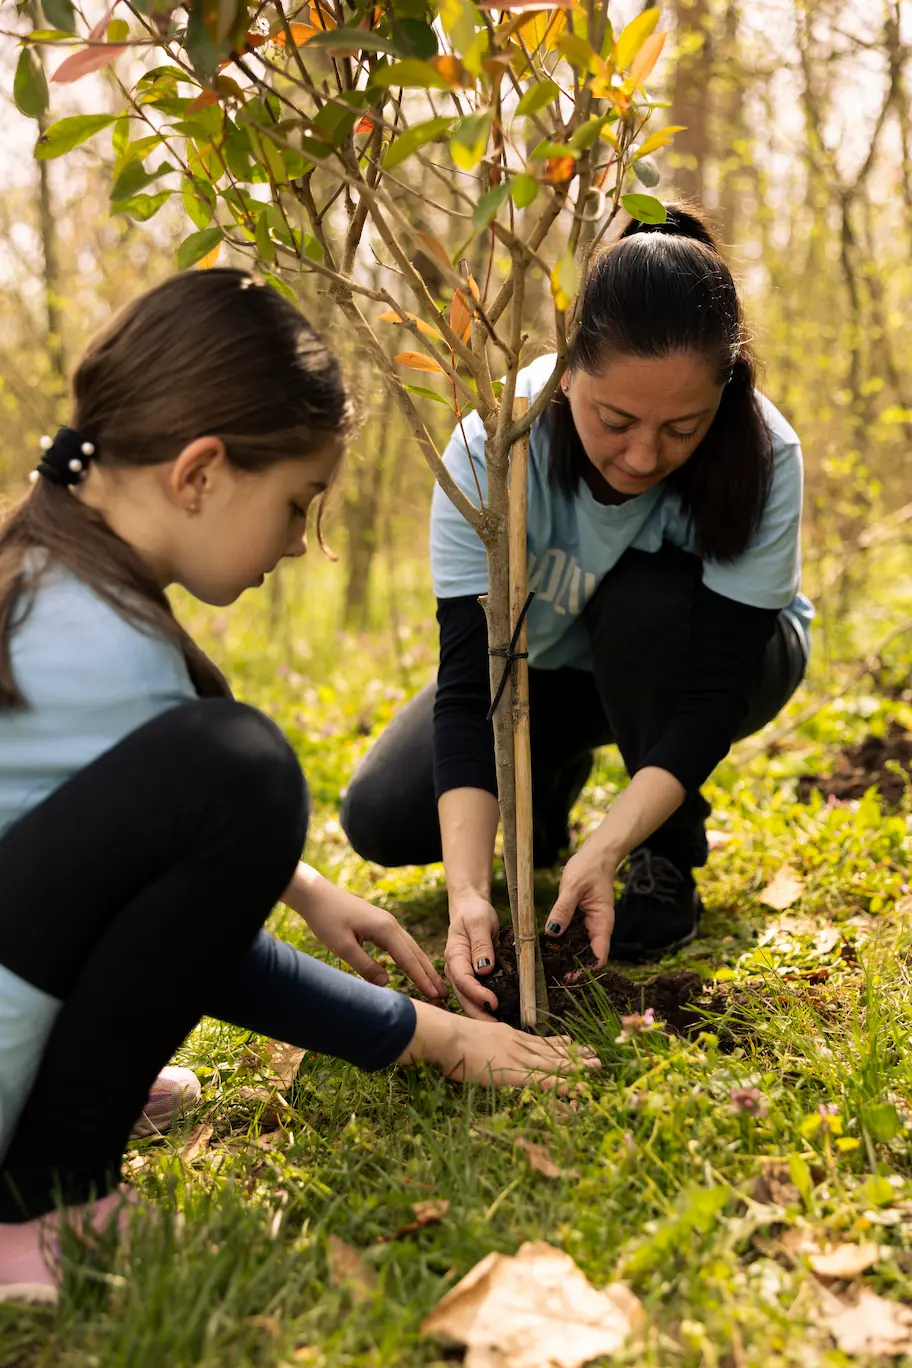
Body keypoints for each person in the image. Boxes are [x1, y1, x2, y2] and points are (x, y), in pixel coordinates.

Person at [0, 270, 597, 1303]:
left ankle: (57, 1098)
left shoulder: (49, 585)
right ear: (200, 473)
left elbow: (98, 871)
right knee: (246, 772)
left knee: (228, 775)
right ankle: (41, 1206)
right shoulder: (103, 653)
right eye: (294, 503)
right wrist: (435, 1036)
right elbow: (205, 948)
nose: (295, 540)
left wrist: (306, 889)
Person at [341, 206, 813, 1018]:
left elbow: (714, 695)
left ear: (725, 391)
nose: (644, 456)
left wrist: (615, 843)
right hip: (551, 669)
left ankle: (665, 853)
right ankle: (553, 783)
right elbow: (471, 689)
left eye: (684, 428)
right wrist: (466, 892)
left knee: (641, 603)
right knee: (383, 816)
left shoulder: (766, 452)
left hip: (714, 662)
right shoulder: (490, 449)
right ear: (565, 371)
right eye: (616, 421)